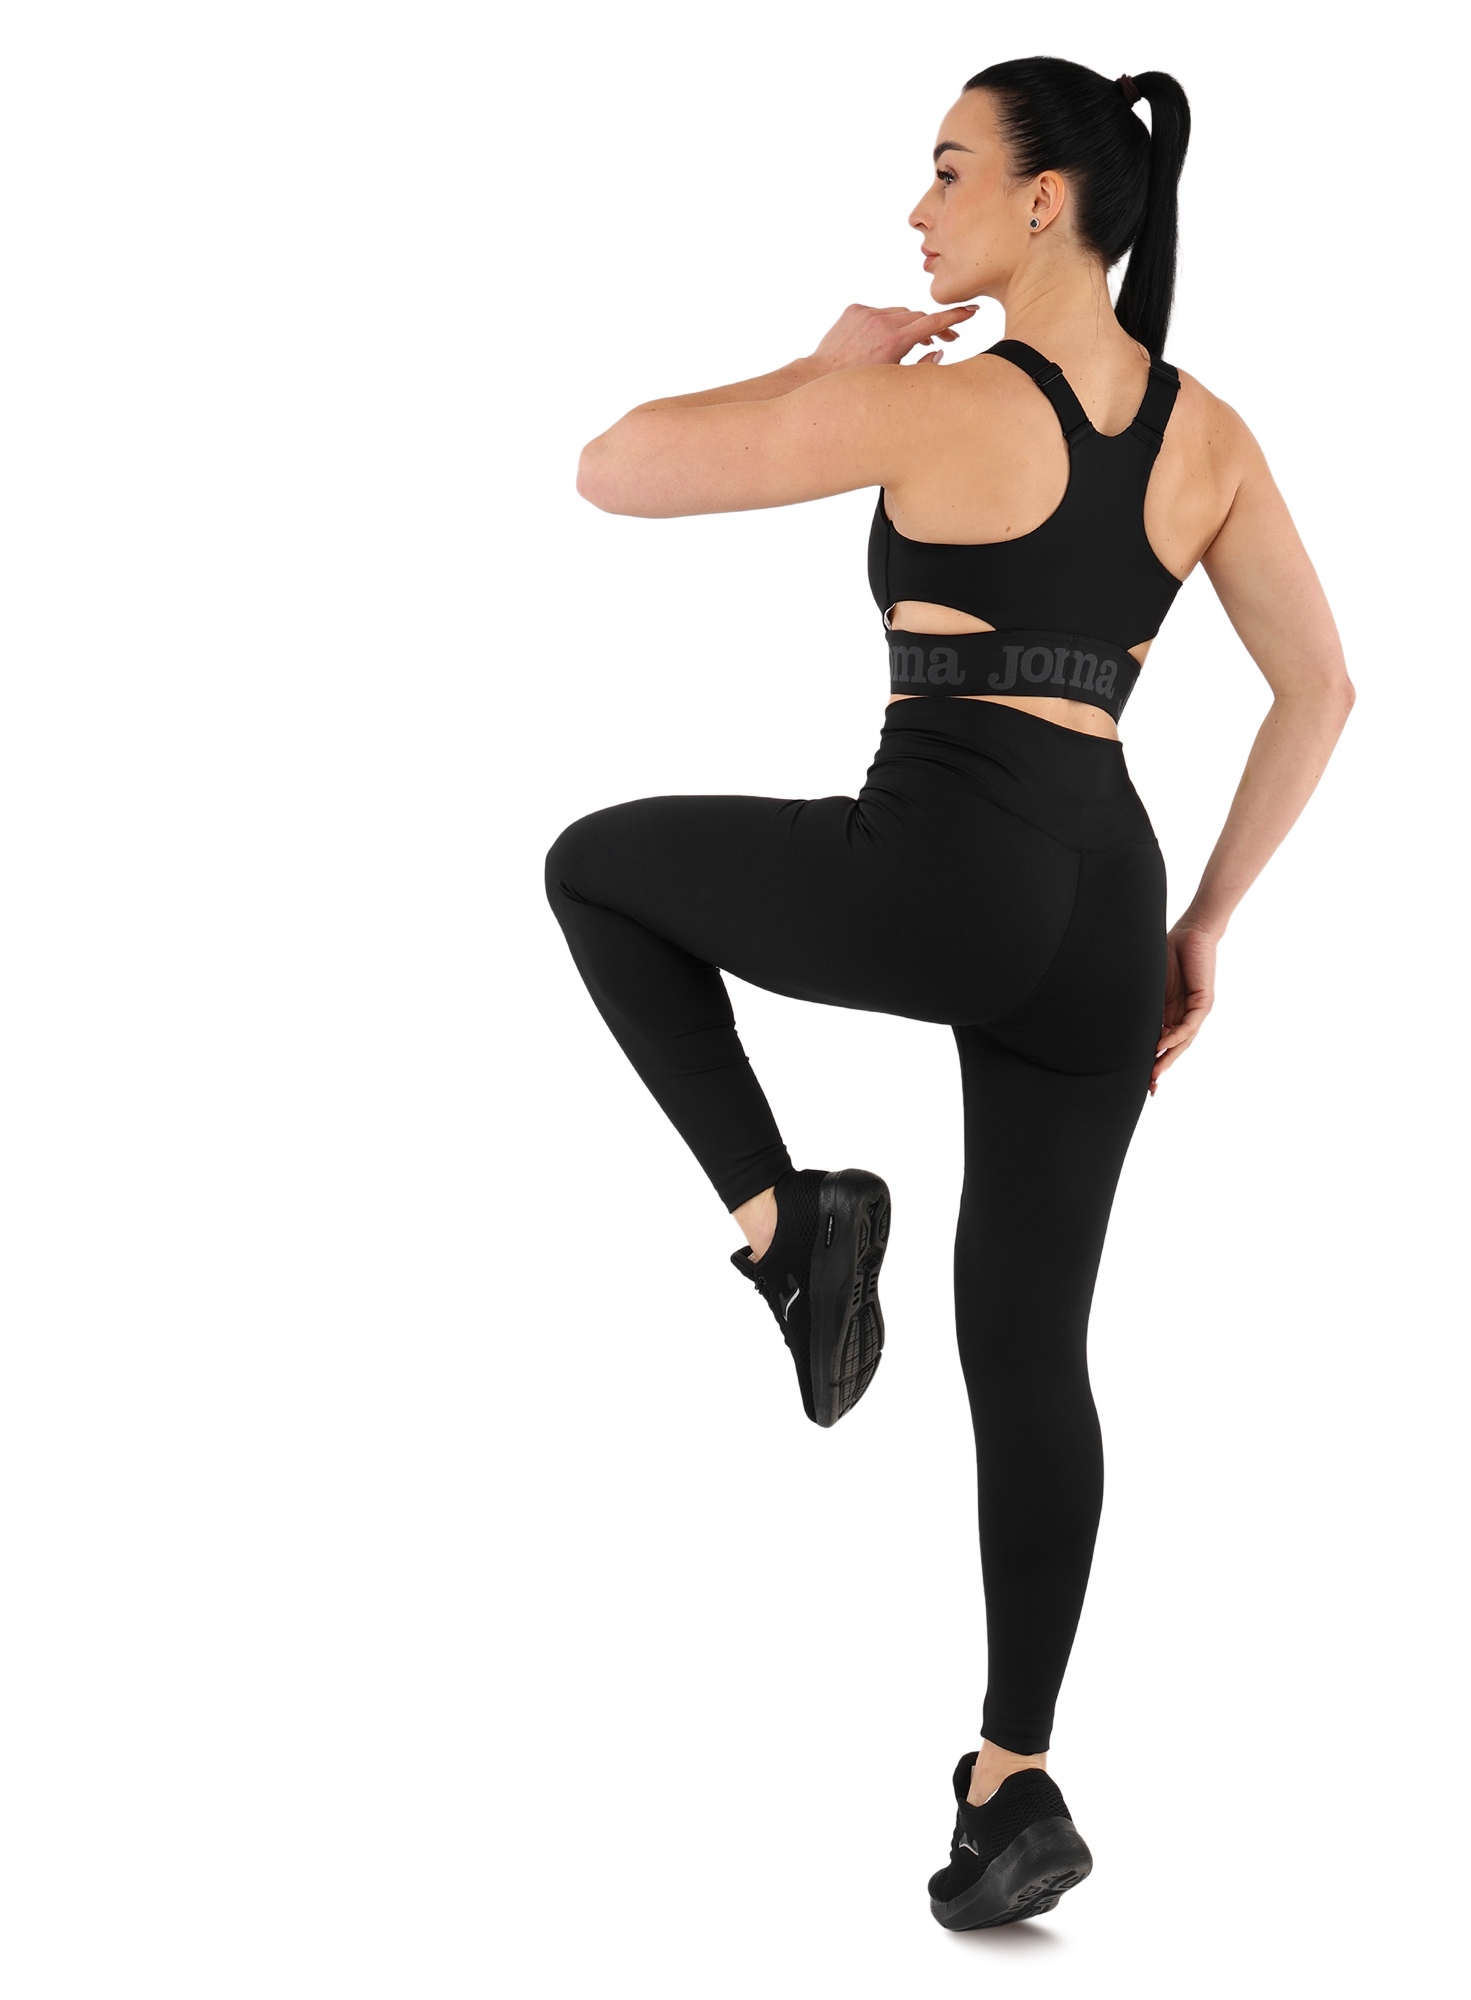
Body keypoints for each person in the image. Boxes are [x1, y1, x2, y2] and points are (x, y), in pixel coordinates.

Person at [544, 56, 1353, 1930]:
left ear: (1046, 200)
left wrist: (822, 367)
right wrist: (1206, 925)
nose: (920, 211)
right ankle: (1016, 1779)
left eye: (948, 171)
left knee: (596, 868)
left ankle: (789, 1223)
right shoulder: (1212, 433)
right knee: (1030, 1342)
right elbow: (1321, 687)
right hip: (1107, 902)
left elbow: (613, 468)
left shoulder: (947, 402)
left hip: (951, 861)